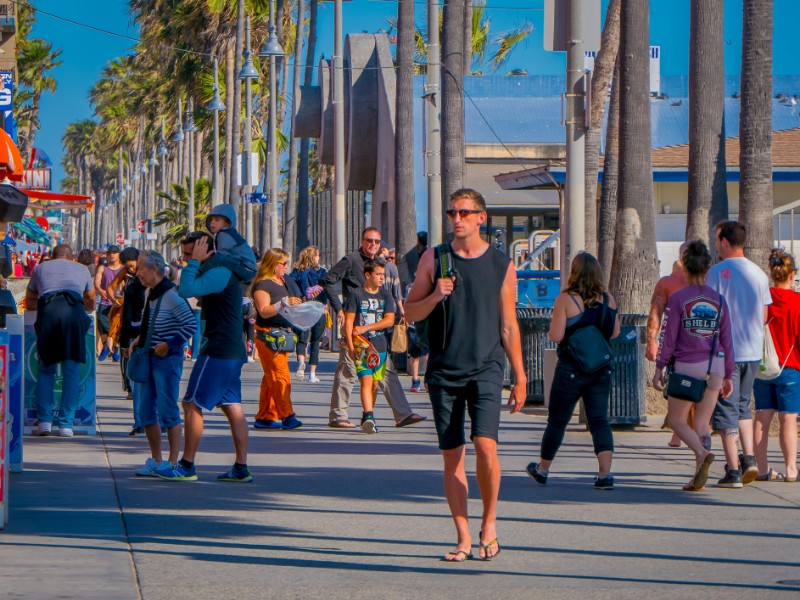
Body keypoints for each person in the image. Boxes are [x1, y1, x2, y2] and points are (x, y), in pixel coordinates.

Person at [405, 188, 527, 562]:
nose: (456, 219)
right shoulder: (434, 259)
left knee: (486, 446)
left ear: (481, 218)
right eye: (451, 212)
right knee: (452, 455)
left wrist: (520, 377)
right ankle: (462, 536)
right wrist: (436, 296)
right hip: (444, 369)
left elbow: (509, 325)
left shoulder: (502, 265)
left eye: (464, 212)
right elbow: (410, 313)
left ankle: (489, 524)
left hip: (488, 366)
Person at [155, 234, 252, 482]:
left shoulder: (218, 270)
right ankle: (241, 468)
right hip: (229, 348)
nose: (185, 259)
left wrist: (194, 263)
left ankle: (187, 465)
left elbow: (186, 290)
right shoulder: (218, 271)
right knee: (232, 407)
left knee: (191, 404)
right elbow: (200, 294)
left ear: (204, 251)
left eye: (189, 254)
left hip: (220, 348)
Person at [526, 252, 620, 491]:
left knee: (558, 420)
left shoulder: (566, 300)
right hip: (600, 369)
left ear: (575, 273)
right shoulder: (609, 299)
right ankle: (605, 475)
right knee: (599, 420)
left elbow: (556, 336)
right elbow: (615, 333)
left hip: (571, 369)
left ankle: (543, 469)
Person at [320, 227, 426, 429]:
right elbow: (326, 280)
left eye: (377, 242)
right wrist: (339, 309)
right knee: (348, 369)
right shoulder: (351, 260)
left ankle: (400, 414)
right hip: (355, 326)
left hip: (376, 328)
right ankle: (338, 415)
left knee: (386, 372)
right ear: (362, 241)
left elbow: (390, 290)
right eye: (369, 240)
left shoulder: (381, 264)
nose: (373, 245)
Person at [653, 240, 734, 491]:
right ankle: (699, 475)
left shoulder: (679, 299)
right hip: (716, 365)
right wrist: (729, 373)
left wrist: (660, 366)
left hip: (689, 364)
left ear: (684, 268)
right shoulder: (719, 300)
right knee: (701, 423)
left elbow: (669, 336)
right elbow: (726, 338)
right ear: (707, 269)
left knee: (677, 421)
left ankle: (701, 453)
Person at [706, 221, 771, 488]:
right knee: (744, 405)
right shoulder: (759, 273)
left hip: (726, 350)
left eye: (717, 239)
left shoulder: (717, 272)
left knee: (725, 409)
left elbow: (709, 313)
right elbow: (765, 315)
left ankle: (732, 470)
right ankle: (749, 458)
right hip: (753, 350)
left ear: (724, 242)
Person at [131, 251, 197, 477]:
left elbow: (190, 325)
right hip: (150, 356)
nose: (137, 272)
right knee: (146, 410)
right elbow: (152, 321)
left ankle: (172, 461)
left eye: (141, 268)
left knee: (168, 409)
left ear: (154, 269)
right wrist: (141, 339)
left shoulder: (170, 295)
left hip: (166, 360)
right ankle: (157, 460)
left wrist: (168, 345)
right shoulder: (151, 292)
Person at [26, 245, 95, 437]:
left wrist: (38, 309)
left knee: (46, 369)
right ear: (72, 257)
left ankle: (44, 422)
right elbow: (90, 299)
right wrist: (87, 309)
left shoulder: (40, 268)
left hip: (48, 313)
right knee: (71, 371)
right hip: (73, 314)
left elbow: (30, 298)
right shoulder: (82, 269)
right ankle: (66, 424)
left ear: (51, 256)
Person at [752, 249, 800, 482]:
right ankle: (791, 469)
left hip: (762, 368)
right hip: (790, 367)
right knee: (788, 419)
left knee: (761, 417)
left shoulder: (764, 300)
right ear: (792, 275)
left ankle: (762, 468)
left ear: (772, 274)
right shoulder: (797, 302)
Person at [251, 248, 304, 431]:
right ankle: (287, 415)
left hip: (282, 334)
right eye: (284, 263)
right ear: (274, 265)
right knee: (281, 377)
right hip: (268, 335)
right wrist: (283, 303)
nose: (286, 267)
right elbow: (264, 311)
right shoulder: (262, 285)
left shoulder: (282, 282)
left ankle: (265, 416)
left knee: (271, 377)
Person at [646, 241, 690, 448]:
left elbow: (656, 314)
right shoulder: (709, 282)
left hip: (677, 348)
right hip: (701, 348)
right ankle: (690, 434)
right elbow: (656, 314)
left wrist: (652, 343)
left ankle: (680, 432)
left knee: (677, 390)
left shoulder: (667, 283)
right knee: (692, 391)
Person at [344, 258, 396, 433]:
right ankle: (369, 415)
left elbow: (389, 320)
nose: (382, 278)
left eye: (383, 274)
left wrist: (366, 327)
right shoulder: (356, 294)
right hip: (362, 345)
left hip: (380, 345)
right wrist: (351, 346)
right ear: (368, 275)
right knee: (366, 381)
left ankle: (368, 414)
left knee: (375, 384)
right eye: (378, 274)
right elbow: (349, 322)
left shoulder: (386, 295)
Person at [118, 249, 148, 435]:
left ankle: (141, 422)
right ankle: (143, 421)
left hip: (139, 337)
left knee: (138, 380)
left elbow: (128, 316)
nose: (134, 270)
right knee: (141, 381)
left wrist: (124, 342)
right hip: (138, 337)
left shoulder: (135, 286)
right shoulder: (158, 286)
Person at [291, 245, 328, 383]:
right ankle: (312, 373)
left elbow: (290, 284)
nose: (319, 257)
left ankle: (301, 361)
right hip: (319, 308)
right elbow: (328, 286)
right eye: (317, 255)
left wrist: (299, 297)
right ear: (314, 257)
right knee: (315, 341)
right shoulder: (322, 272)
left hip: (303, 307)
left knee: (302, 338)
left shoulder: (297, 272)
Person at [108, 248, 140, 399]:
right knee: (126, 356)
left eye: (133, 266)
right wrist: (116, 301)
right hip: (127, 322)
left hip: (141, 324)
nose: (131, 269)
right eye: (128, 267)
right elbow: (111, 287)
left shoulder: (145, 276)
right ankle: (130, 389)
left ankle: (136, 388)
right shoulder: (126, 275)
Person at [206, 204, 258, 283]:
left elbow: (222, 255)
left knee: (218, 258)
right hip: (248, 269)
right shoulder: (230, 233)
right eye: (211, 220)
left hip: (246, 268)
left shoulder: (224, 235)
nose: (212, 222)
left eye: (217, 220)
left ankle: (201, 274)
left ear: (227, 223)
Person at [95, 245, 124, 362]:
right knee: (101, 321)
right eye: (110, 253)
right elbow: (97, 281)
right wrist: (100, 290)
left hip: (118, 301)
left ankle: (116, 349)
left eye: (114, 253)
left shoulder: (123, 269)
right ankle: (106, 345)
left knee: (117, 325)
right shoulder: (103, 268)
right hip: (105, 301)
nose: (112, 255)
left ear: (118, 255)